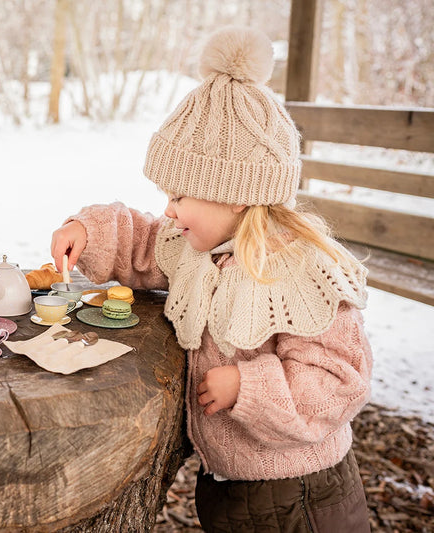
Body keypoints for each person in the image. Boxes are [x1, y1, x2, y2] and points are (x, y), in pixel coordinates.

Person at [51, 26, 372, 532]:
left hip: (300, 495)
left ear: (235, 193)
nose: (169, 209)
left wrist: (250, 385)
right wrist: (88, 231)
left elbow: (337, 380)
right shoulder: (202, 245)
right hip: (230, 485)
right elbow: (145, 243)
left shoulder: (299, 272)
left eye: (180, 196)